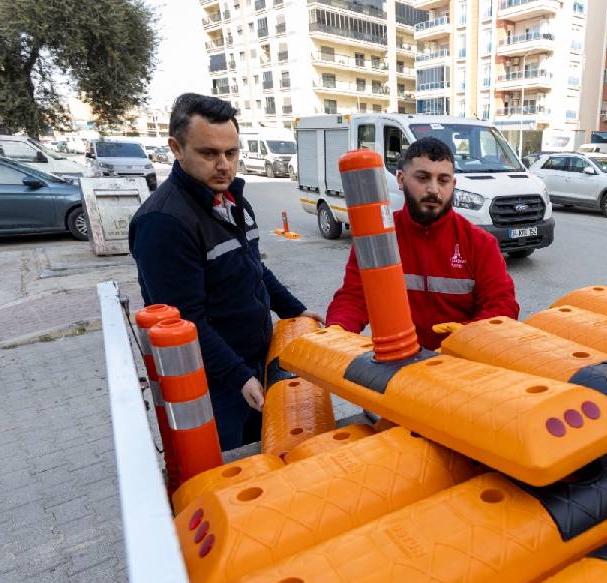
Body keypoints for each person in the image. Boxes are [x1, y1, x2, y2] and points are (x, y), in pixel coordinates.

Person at [129, 93, 320, 451]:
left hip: (252, 364)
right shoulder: (163, 223)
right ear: (176, 148)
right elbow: (185, 321)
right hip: (212, 384)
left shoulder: (230, 199)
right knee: (229, 466)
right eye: (209, 153)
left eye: (231, 153)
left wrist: (294, 309)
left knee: (265, 456)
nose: (224, 165)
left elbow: (253, 267)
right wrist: (237, 376)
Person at [326, 137, 519, 349]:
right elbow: (354, 298)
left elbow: (502, 306)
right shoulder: (377, 239)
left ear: (453, 184)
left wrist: (465, 337)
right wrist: (337, 331)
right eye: (422, 178)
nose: (433, 190)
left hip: (461, 363)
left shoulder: (480, 243)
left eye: (443, 180)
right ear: (401, 179)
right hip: (398, 360)